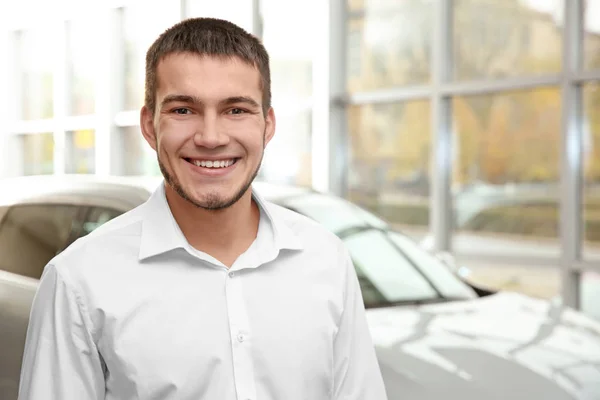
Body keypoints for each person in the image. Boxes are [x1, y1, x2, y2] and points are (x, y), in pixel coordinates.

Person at [18, 17, 387, 400]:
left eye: (236, 110)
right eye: (183, 110)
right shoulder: (78, 279)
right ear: (149, 125)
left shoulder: (326, 259)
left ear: (268, 125)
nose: (210, 137)